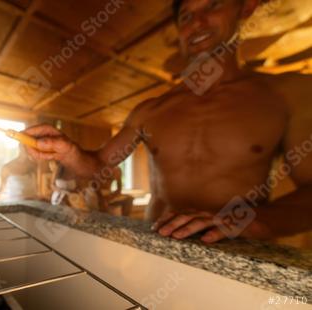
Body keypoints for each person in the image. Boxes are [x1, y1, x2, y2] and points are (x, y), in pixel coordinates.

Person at [24, 0, 312, 243]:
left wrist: (251, 222)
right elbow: (98, 166)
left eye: (213, 4)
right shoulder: (150, 111)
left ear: (246, 7)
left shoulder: (287, 95)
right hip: (159, 247)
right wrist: (71, 154)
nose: (197, 22)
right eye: (186, 16)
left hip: (239, 256)